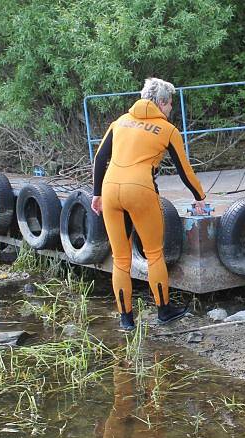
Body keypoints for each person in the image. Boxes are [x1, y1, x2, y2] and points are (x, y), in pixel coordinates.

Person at [91, 78, 207, 330]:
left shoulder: (120, 121)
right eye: (170, 105)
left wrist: (96, 194)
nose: (170, 110)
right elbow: (185, 171)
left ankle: (126, 320)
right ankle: (164, 311)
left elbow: (100, 158)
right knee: (154, 254)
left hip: (111, 190)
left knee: (121, 259)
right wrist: (199, 197)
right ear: (162, 103)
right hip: (140, 191)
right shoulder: (167, 130)